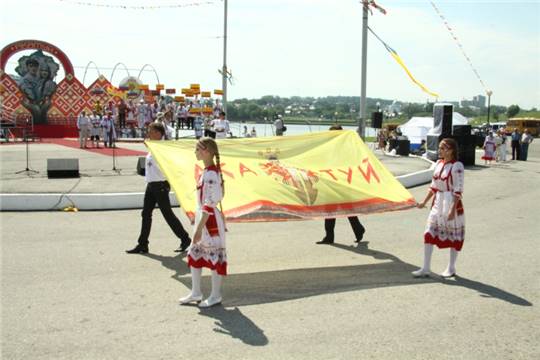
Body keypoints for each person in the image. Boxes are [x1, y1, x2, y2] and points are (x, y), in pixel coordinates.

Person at [126, 122, 192, 254]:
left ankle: (185, 238)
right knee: (146, 214)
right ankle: (143, 244)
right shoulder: (155, 147)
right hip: (151, 185)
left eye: (150, 131)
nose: (148, 133)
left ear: (158, 133)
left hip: (160, 185)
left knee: (167, 214)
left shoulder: (162, 148)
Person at [179, 137, 226, 308]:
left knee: (214, 258)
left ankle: (215, 295)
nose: (195, 152)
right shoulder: (207, 172)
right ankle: (196, 292)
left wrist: (199, 227)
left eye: (197, 149)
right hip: (205, 217)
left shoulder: (211, 173)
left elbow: (211, 202)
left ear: (206, 151)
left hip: (210, 221)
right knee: (195, 254)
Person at [413, 138, 465, 278]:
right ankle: (425, 267)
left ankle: (451, 267)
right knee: (428, 233)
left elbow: (458, 190)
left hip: (450, 202)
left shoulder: (457, 166)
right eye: (440, 148)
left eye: (443, 148)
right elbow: (434, 186)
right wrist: (424, 202)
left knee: (453, 237)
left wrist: (452, 209)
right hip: (438, 203)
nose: (440, 150)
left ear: (451, 150)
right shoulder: (438, 163)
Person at [317, 124, 366, 245]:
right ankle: (330, 235)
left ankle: (357, 229)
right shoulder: (329, 147)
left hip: (342, 181)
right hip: (330, 181)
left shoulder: (345, 149)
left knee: (345, 208)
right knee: (331, 209)